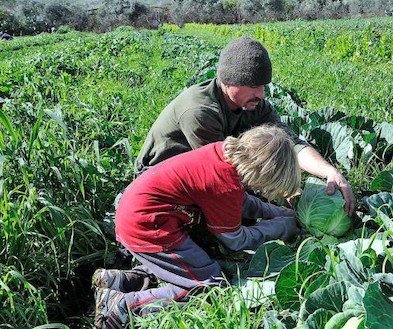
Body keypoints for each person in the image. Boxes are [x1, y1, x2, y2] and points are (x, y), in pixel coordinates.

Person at [94, 124, 302, 328]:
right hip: (149, 227)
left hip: (137, 213)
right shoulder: (224, 185)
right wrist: (283, 227)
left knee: (184, 267)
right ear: (264, 173)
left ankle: (118, 281)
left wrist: (279, 213)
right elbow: (237, 240)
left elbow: (242, 202)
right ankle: (121, 307)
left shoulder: (223, 155)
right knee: (210, 287)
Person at [135, 35, 355, 215]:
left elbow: (290, 143)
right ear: (228, 82)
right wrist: (281, 196)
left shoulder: (255, 104)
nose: (260, 94)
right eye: (252, 86)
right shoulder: (200, 111)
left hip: (207, 171)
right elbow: (222, 174)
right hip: (156, 180)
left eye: (263, 86)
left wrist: (329, 172)